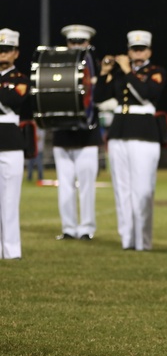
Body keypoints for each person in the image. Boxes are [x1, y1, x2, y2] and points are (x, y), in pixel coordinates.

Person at [94, 31, 166, 251]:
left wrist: (126, 70)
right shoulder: (118, 74)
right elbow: (98, 98)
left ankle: (143, 240)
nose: (137, 53)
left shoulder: (156, 72)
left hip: (144, 134)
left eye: (142, 49)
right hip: (119, 133)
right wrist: (105, 73)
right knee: (121, 189)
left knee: (142, 189)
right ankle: (127, 238)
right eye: (134, 49)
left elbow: (147, 94)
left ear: (149, 51)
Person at [53, 24, 102, 241]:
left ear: (88, 43)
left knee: (86, 185)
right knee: (65, 185)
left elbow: (100, 96)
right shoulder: (57, 65)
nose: (76, 46)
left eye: (81, 42)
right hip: (63, 133)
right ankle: (68, 228)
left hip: (87, 135)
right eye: (72, 42)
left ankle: (86, 228)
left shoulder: (98, 67)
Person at [0, 29, 27, 259]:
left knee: (10, 199)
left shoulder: (20, 78)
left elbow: (14, 99)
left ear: (16, 53)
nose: (2, 54)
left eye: (7, 50)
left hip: (10, 139)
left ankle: (11, 250)